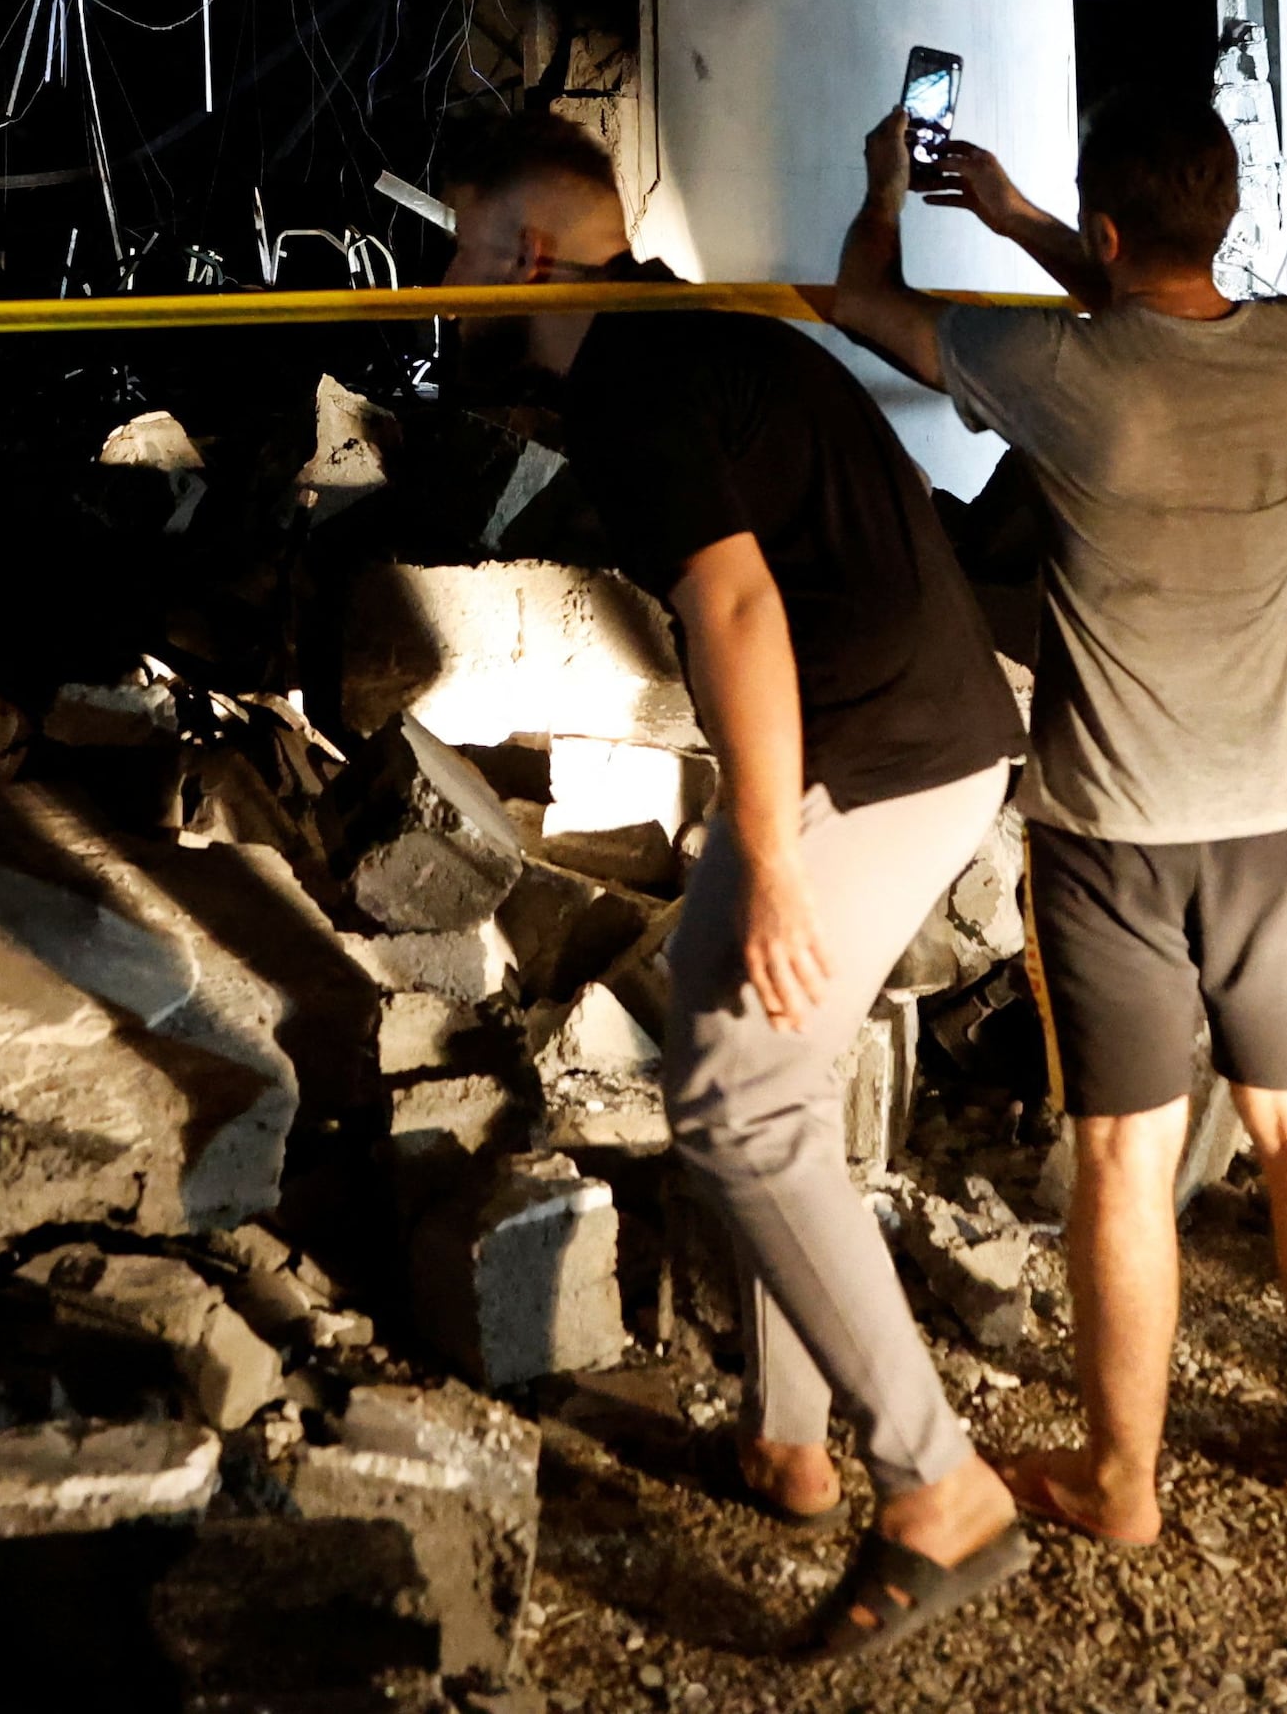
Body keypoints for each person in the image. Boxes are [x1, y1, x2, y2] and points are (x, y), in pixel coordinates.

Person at [431, 108, 1033, 1663]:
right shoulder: (663, 339)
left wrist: (765, 854)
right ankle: (788, 1438)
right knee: (734, 1027)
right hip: (899, 724)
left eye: (457, 243)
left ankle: (939, 1486)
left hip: (890, 747)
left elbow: (740, 608)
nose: (445, 275)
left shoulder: (637, 374)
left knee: (741, 1094)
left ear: (525, 249)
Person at [822, 89, 1287, 1538]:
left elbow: (862, 298)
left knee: (1123, 1160)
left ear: (1107, 224)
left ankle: (1122, 1481)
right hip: (1275, 819)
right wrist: (1031, 221)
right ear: (1228, 212)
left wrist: (893, 185)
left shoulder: (1061, 369)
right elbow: (1164, 304)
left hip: (1109, 834)